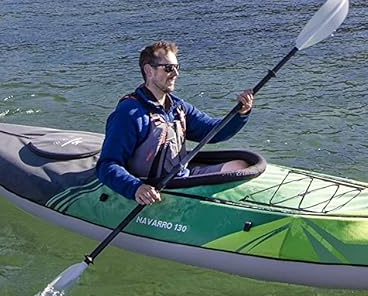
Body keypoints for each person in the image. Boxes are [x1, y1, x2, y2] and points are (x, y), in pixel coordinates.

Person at [97, 41, 255, 206]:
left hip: (181, 178)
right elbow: (106, 165)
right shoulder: (128, 113)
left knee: (239, 165)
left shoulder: (178, 108)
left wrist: (241, 113)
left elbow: (215, 132)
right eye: (168, 68)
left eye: (177, 67)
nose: (175, 74)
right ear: (149, 70)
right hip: (152, 186)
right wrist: (136, 188)